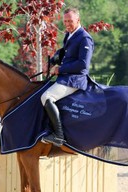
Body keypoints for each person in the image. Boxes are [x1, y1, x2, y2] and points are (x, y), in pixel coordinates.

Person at [41, 7, 94, 147]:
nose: (67, 24)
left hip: (75, 80)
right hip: (66, 77)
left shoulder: (85, 38)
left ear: (78, 20)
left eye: (70, 21)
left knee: (46, 97)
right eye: (65, 21)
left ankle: (58, 136)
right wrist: (53, 60)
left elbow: (83, 65)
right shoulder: (69, 34)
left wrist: (60, 68)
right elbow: (66, 52)